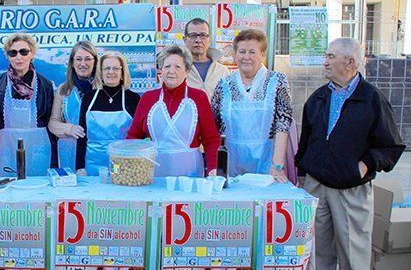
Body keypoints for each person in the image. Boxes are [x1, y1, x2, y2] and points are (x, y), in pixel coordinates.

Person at [296, 37, 404, 270]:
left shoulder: (371, 98)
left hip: (351, 186)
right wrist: (303, 172)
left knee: (354, 242)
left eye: (331, 56)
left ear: (350, 62)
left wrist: (365, 165)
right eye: (326, 55)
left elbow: (391, 146)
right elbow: (306, 138)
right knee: (319, 243)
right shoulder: (318, 97)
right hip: (317, 182)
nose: (325, 61)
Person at [211, 29, 294, 182]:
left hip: (267, 161)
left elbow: (283, 124)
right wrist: (214, 165)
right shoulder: (224, 84)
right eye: (242, 51)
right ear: (235, 55)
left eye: (252, 52)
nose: (246, 57)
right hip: (231, 162)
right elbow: (213, 125)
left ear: (263, 55)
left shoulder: (277, 81)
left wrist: (277, 166)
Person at [126, 44, 220, 177]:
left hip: (190, 175)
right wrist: (129, 165)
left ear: (187, 71)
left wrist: (213, 168)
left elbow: (211, 139)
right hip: (155, 173)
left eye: (177, 67)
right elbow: (133, 136)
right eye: (167, 66)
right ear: (161, 71)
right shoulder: (148, 98)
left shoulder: (199, 97)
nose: (171, 71)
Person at [0, 33, 56, 176]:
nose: (18, 57)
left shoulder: (45, 85)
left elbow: (51, 122)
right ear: (7, 56)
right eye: (13, 53)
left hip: (38, 146)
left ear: (32, 54)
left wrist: (55, 161)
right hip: (6, 146)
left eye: (23, 52)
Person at [77, 51, 139, 175]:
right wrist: (79, 167)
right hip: (92, 164)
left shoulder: (133, 98)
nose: (111, 72)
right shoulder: (89, 98)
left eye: (116, 68)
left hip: (122, 163)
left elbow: (137, 138)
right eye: (107, 68)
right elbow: (81, 135)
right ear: (101, 72)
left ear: (122, 73)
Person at [49, 41, 98, 170]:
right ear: (72, 62)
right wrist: (69, 128)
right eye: (78, 59)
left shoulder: (102, 89)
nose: (83, 63)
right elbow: (52, 123)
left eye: (88, 59)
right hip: (69, 151)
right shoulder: (63, 90)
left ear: (95, 62)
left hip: (96, 151)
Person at [183, 17, 229, 101]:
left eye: (203, 35)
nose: (198, 40)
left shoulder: (222, 71)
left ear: (209, 40)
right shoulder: (178, 69)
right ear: (185, 39)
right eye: (193, 35)